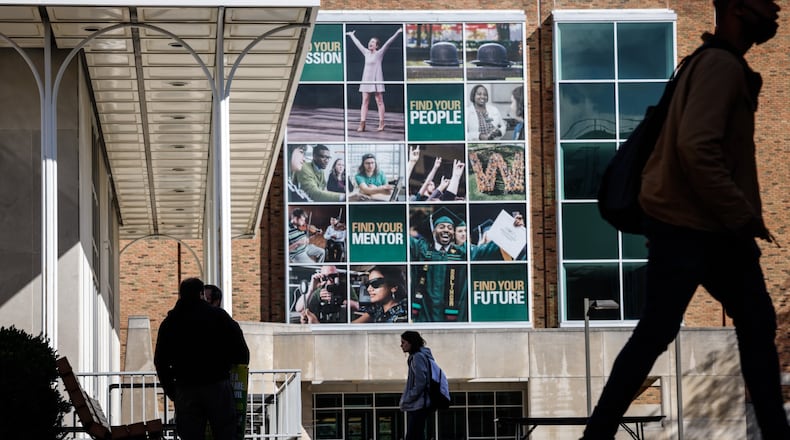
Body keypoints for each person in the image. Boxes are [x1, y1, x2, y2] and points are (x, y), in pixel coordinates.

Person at [582, 1, 788, 439]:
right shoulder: (721, 67)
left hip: (690, 224)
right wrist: (740, 215)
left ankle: (597, 433)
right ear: (733, 9)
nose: (773, 12)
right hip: (703, 226)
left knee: (665, 330)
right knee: (751, 326)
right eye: (762, 4)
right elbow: (697, 149)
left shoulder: (706, 64)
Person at [154, 278, 250, 440]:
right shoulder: (219, 317)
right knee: (225, 432)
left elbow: (160, 361)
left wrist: (173, 391)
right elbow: (242, 352)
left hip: (186, 388)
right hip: (217, 385)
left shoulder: (170, 323)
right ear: (201, 294)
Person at [346, 27, 403, 132]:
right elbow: (358, 44)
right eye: (370, 41)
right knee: (365, 102)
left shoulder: (379, 53)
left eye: (373, 42)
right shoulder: (366, 53)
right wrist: (352, 35)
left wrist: (397, 33)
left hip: (376, 79)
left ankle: (382, 123)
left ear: (377, 46)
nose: (370, 43)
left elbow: (388, 43)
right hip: (366, 80)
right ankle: (362, 124)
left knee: (379, 101)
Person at [399, 331, 433, 440]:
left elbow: (420, 382)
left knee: (413, 435)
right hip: (421, 403)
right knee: (417, 434)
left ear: (411, 343)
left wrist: (409, 397)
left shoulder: (418, 357)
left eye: (403, 342)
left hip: (419, 403)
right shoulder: (419, 356)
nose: (401, 345)